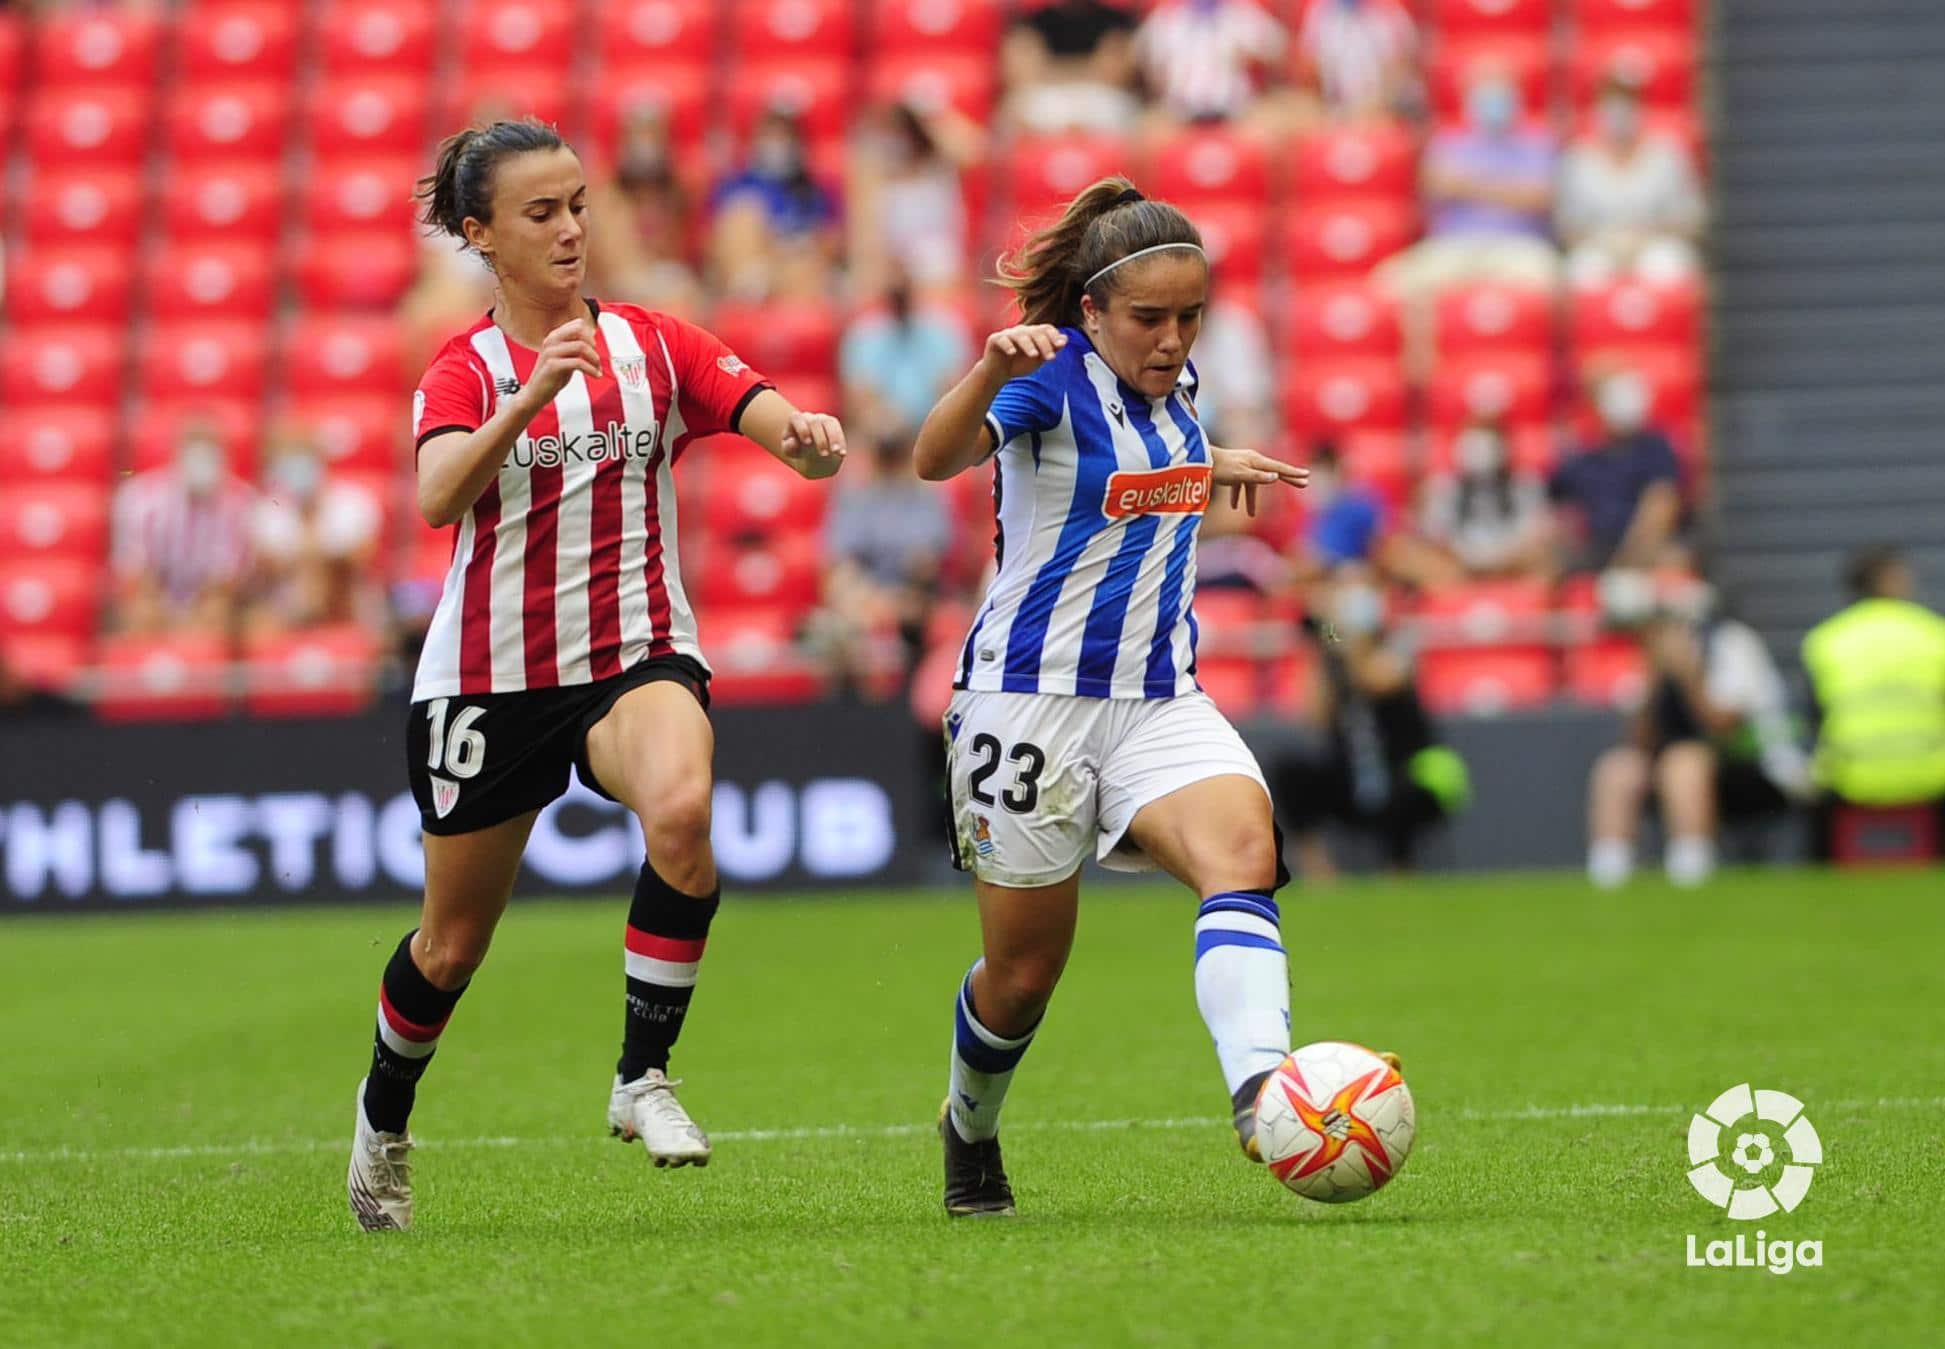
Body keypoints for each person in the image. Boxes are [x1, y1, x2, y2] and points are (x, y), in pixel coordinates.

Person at [346, 120, 848, 1233]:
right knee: (452, 945)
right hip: (491, 679)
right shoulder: (464, 366)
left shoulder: (655, 344)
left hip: (634, 652)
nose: (572, 227)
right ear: (481, 235)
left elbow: (763, 411)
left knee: (681, 804)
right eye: (541, 212)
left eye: (578, 203)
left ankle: (642, 1076)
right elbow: (434, 500)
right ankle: (383, 1117)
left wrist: (803, 438)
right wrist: (530, 397)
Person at [911, 177, 1397, 1216]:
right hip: (1024, 704)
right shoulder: (1045, 380)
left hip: (1155, 695)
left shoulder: (1174, 394)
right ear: (1090, 310)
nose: (1173, 338)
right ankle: (969, 1123)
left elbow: (1135, 468)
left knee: (1242, 852)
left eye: (1190, 317)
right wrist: (987, 368)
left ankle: (1263, 1086)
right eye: (1150, 319)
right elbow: (932, 457)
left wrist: (1211, 460)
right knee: (1024, 972)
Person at [1585, 572, 1809, 888]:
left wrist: (1689, 676)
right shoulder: (1651, 658)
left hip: (1752, 767)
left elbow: (1725, 729)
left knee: (1684, 761)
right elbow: (1637, 739)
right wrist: (1655, 680)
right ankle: (1609, 876)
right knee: (1618, 768)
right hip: (1678, 768)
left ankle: (1690, 871)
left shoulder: (1734, 643)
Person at [1273, 567, 1468, 882]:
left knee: (1404, 793)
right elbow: (1312, 716)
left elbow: (1378, 679)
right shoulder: (1334, 655)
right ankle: (1322, 878)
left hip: (1406, 770)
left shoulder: (1398, 642)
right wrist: (1320, 644)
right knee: (1289, 770)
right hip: (1351, 774)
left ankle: (1400, 875)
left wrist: (1342, 635)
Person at [1378, 69, 1558, 363]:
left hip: (1517, 247)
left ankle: (1533, 365)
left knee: (1551, 281)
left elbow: (1539, 198)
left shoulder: (1537, 143)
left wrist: (1468, 185)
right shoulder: (1449, 142)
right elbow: (1435, 184)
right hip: (1455, 246)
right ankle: (1424, 368)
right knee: (1391, 284)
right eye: (1487, 94)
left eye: (1500, 94)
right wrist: (1508, 189)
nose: (1494, 103)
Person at [1800, 547, 1945, 858]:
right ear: (1893, 580)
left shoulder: (1825, 639)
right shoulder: (1935, 633)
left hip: (1850, 776)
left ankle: (1821, 871)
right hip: (1931, 773)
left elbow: (1815, 719)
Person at [110, 419, 257, 638]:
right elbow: (134, 570)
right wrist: (162, 611)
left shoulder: (242, 501)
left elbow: (231, 577)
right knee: (140, 614)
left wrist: (195, 615)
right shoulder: (141, 498)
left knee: (216, 614)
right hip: (156, 597)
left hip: (210, 601)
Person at [1557, 75, 1706, 289]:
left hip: (1655, 243)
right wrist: (1609, 242)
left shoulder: (1666, 155)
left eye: (1626, 106)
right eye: (1611, 107)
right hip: (1597, 247)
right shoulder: (1578, 159)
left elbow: (1691, 218)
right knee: (1584, 271)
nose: (1619, 115)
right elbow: (1567, 226)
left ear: (1639, 110)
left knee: (1669, 266)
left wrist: (1646, 236)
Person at [247, 429, 385, 636]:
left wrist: (315, 558)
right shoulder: (268, 512)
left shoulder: (354, 503)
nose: (296, 470)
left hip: (345, 602)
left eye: (301, 459)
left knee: (323, 575)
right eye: (288, 462)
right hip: (285, 609)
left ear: (319, 460)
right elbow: (266, 567)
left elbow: (361, 557)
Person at [1548, 368, 1684, 573]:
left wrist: (1628, 564)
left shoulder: (1655, 448)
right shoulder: (1582, 455)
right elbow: (1558, 506)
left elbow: (1661, 506)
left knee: (1672, 562)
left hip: (1640, 556)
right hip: (1594, 552)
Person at [846, 98, 985, 298]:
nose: (902, 137)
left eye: (907, 128)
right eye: (897, 129)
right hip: (888, 259)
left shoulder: (941, 165)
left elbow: (974, 152)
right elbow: (866, 236)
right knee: (869, 279)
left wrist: (929, 115)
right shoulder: (874, 173)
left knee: (936, 271)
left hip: (936, 259)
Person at [707, 106, 840, 300]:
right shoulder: (734, 185)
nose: (776, 144)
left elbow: (832, 242)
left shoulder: (814, 189)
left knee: (804, 266)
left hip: (796, 272)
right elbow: (714, 242)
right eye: (769, 137)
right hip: (746, 270)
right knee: (744, 216)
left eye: (783, 137)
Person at [1408, 420, 1553, 585]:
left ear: (1503, 449)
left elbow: (1534, 530)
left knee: (1549, 556)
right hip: (1457, 566)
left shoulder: (1525, 484)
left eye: (1485, 448)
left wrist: (1502, 557)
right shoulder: (1442, 487)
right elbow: (1435, 531)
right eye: (1472, 447)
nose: (1478, 456)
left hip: (1513, 563)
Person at [839, 273, 972, 452]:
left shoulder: (944, 331)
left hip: (931, 431)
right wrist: (886, 419)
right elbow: (860, 398)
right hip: (881, 437)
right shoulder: (864, 334)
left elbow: (954, 389)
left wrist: (926, 424)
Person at [1133, 0, 1288, 129]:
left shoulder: (1242, 12)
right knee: (1151, 132)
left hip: (1237, 109)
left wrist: (1249, 55)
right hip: (1179, 110)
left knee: (1267, 129)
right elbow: (1141, 56)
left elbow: (1277, 49)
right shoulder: (1168, 15)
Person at [1000, 0, 1141, 135]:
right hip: (1045, 97)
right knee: (1016, 112)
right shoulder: (1031, 22)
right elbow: (1021, 75)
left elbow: (1117, 74)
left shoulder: (1116, 20)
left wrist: (1048, 69)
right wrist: (1091, 68)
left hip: (1100, 97)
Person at [1293, 0, 1420, 124]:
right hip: (1335, 108)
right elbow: (1311, 68)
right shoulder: (1320, 10)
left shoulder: (1389, 12)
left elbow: (1402, 71)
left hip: (1382, 109)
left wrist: (1369, 107)